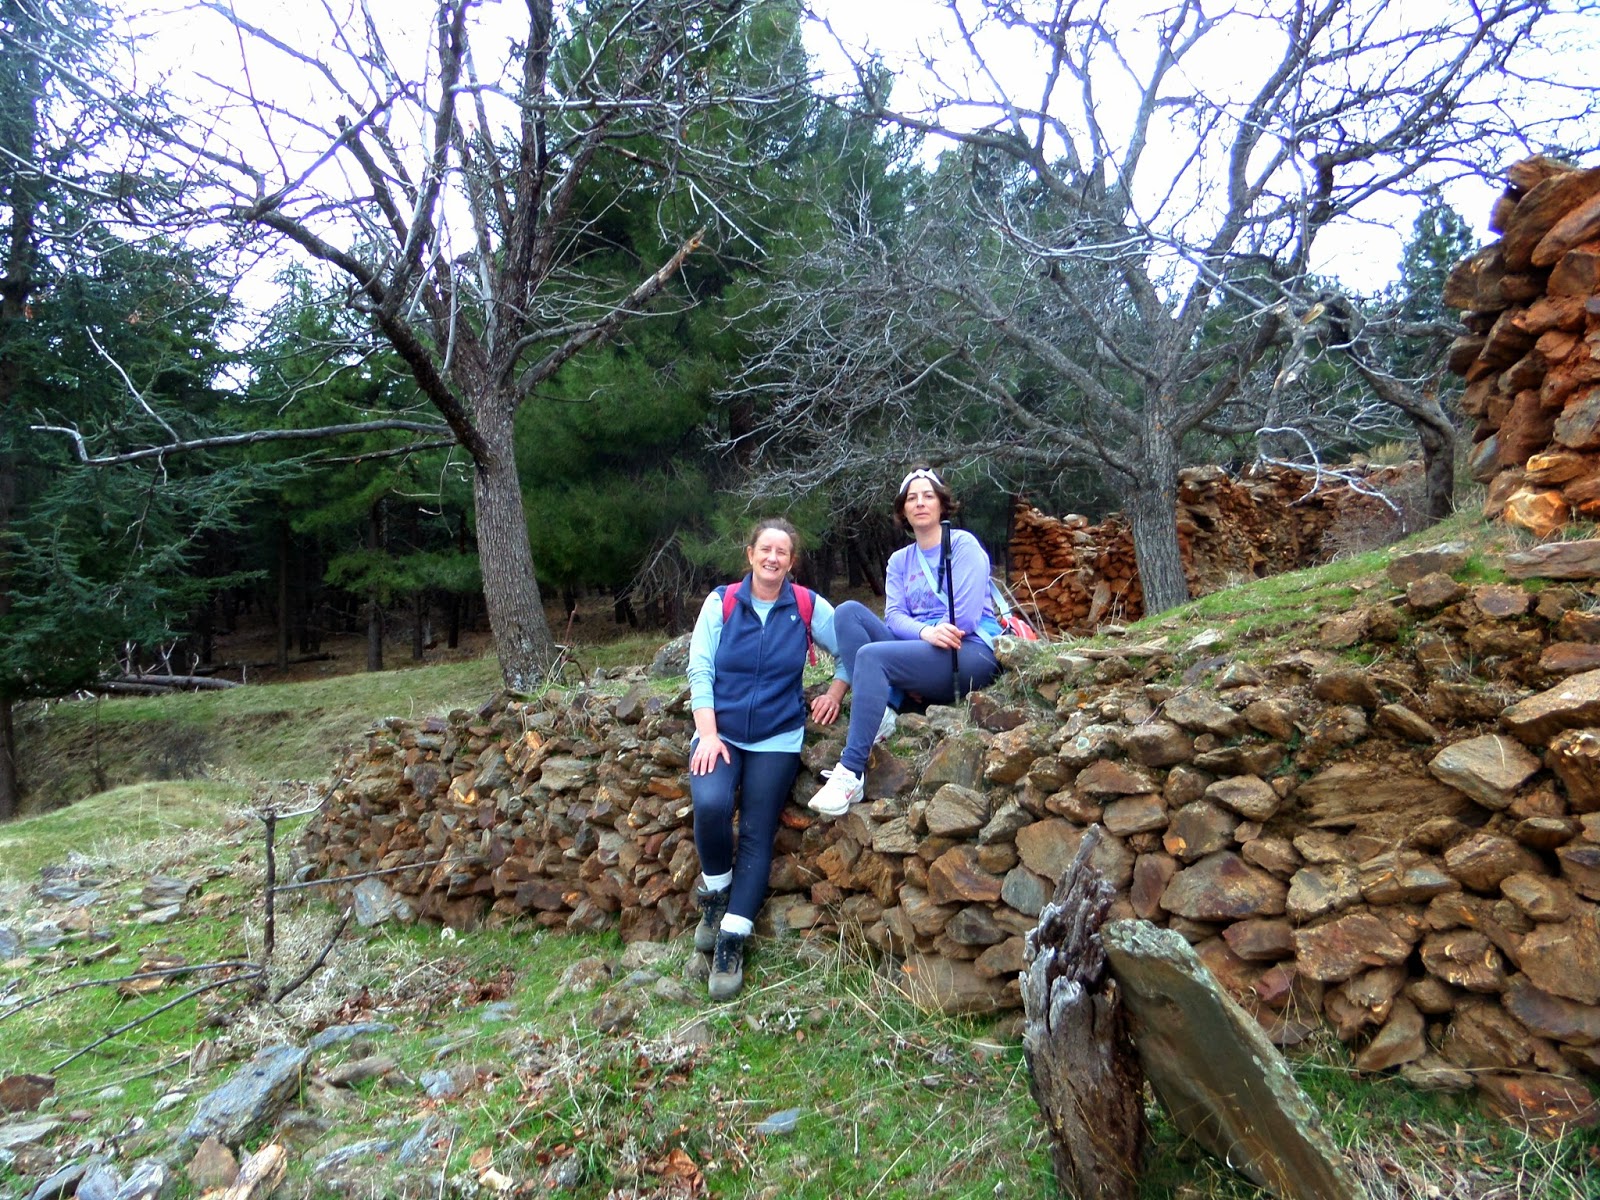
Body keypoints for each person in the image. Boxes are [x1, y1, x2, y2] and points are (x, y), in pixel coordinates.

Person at [688, 518, 844, 1000]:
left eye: (783, 552)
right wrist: (709, 734)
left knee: (757, 832)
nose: (773, 558)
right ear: (750, 554)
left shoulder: (807, 606)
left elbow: (854, 650)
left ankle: (731, 940)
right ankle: (716, 895)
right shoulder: (722, 602)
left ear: (791, 562)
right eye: (765, 549)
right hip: (722, 734)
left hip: (778, 736)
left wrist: (837, 689)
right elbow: (700, 667)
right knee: (712, 805)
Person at [808, 467, 1000, 817]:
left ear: (942, 504)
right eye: (912, 498)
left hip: (967, 651)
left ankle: (850, 773)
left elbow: (967, 617)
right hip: (923, 648)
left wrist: (932, 637)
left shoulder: (962, 545)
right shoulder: (900, 560)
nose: (920, 502)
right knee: (848, 612)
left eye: (928, 496)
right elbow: (893, 617)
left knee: (871, 657)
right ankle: (884, 709)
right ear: (903, 511)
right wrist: (924, 634)